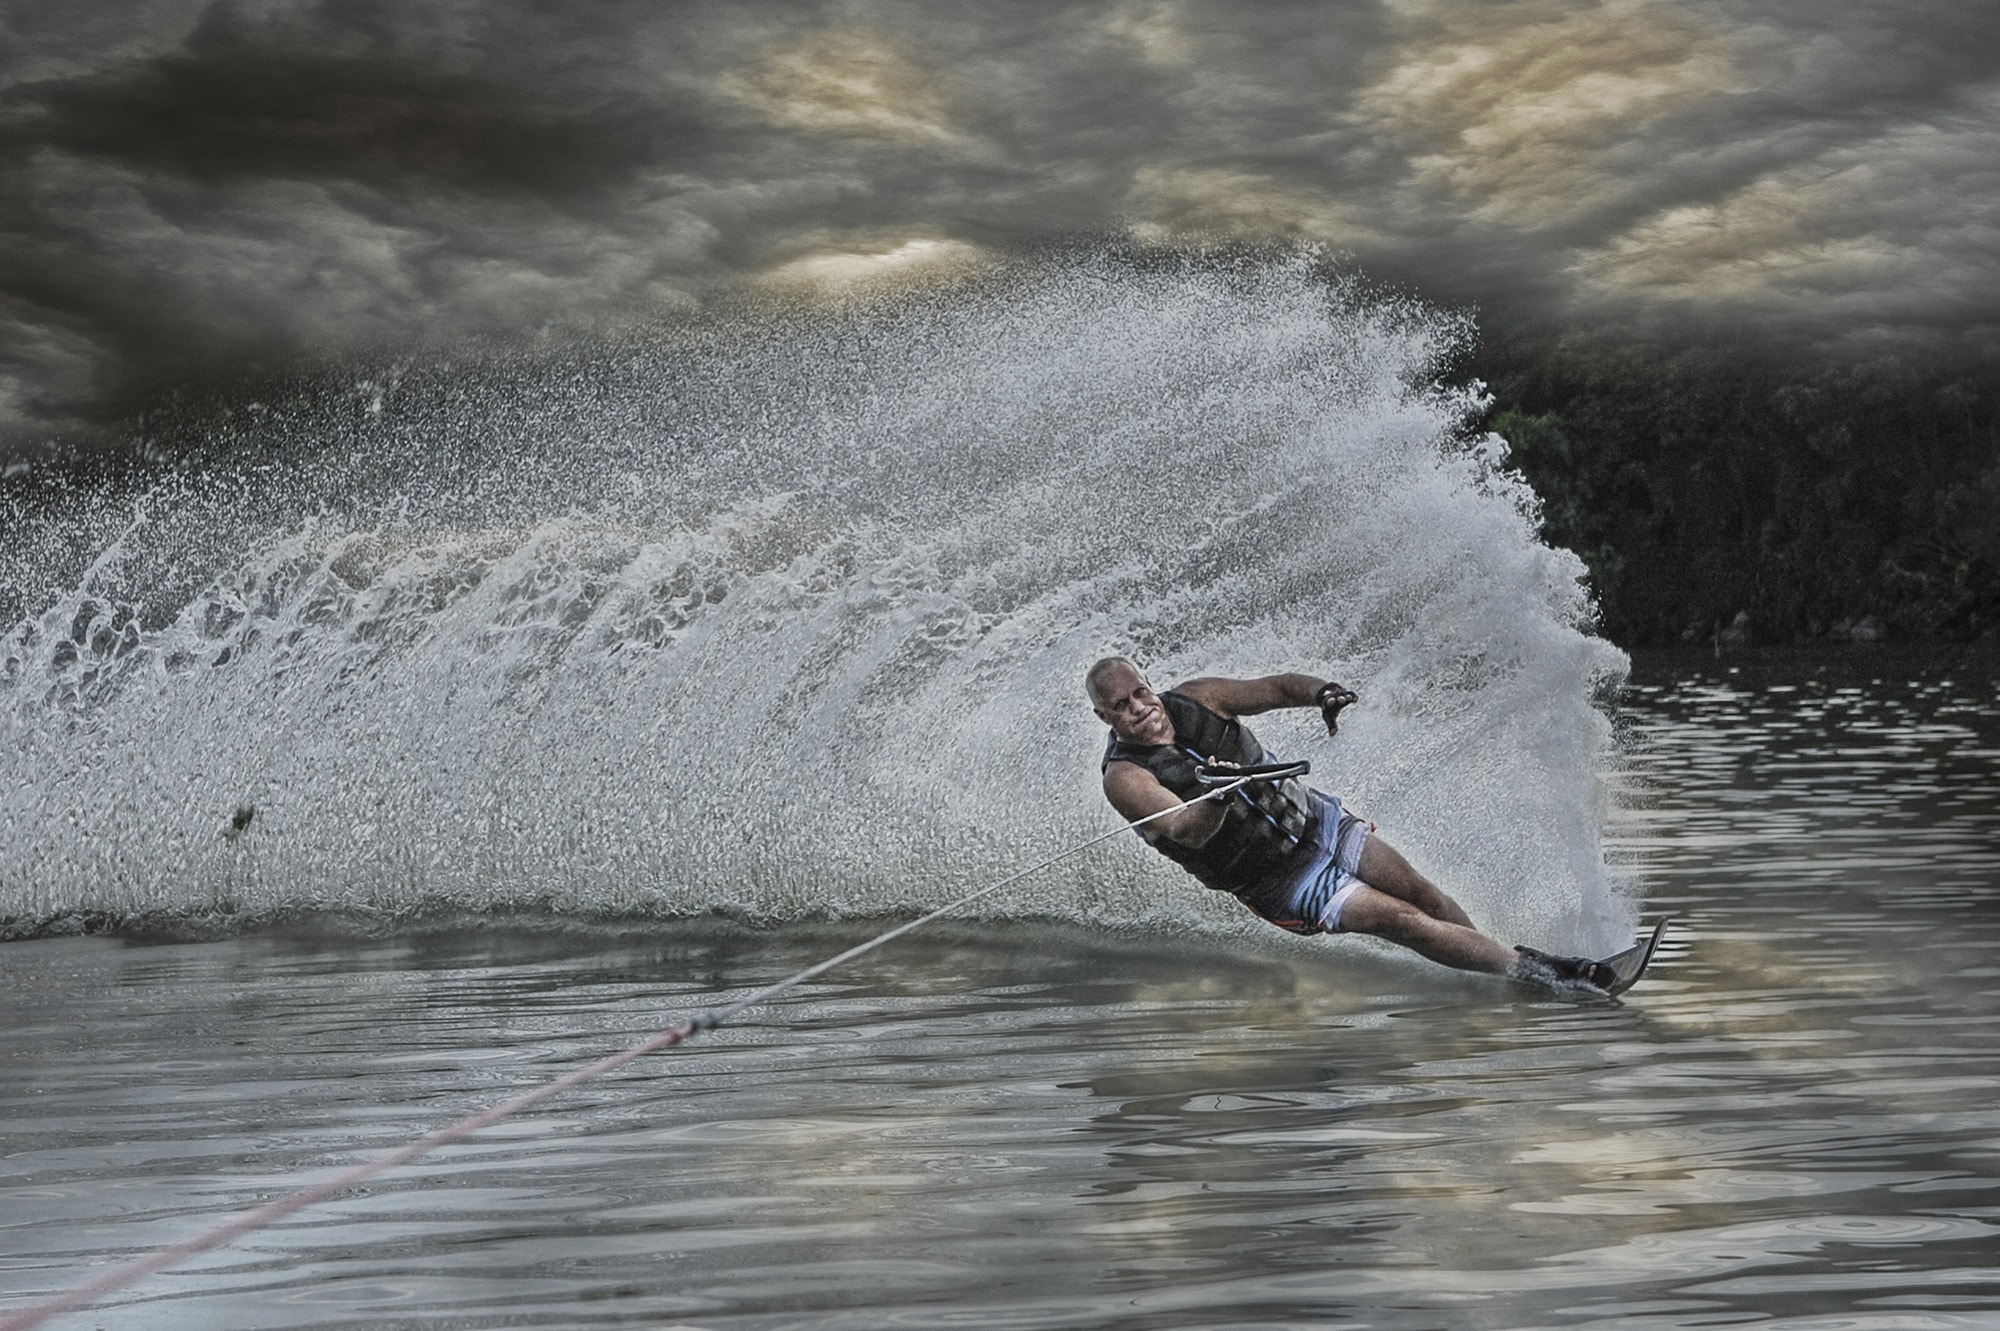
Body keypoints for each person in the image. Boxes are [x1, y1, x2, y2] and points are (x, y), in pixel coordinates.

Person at [1086, 655, 1617, 991]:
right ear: (1104, 717)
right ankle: (1550, 973)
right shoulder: (1126, 779)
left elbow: (1276, 687)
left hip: (1320, 822)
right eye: (1120, 705)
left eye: (1140, 692)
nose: (1138, 707)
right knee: (1402, 921)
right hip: (1281, 881)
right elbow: (1185, 831)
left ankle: (1498, 969)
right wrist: (1220, 798)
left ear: (1150, 683)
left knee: (1422, 895)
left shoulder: (1201, 696)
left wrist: (1323, 692)